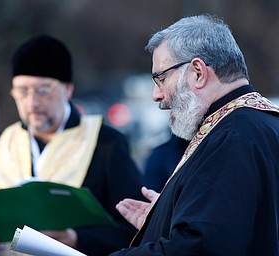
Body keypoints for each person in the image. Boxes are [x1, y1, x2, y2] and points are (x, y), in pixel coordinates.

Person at [0, 34, 144, 256]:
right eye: (22, 91)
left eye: (42, 90)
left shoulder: (106, 145)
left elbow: (134, 230)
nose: (32, 102)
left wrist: (77, 239)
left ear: (67, 89)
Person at [110, 14, 279, 255]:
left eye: (161, 79)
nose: (156, 95)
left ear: (198, 72)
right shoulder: (259, 123)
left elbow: (201, 247)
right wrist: (167, 217)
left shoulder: (232, 137)